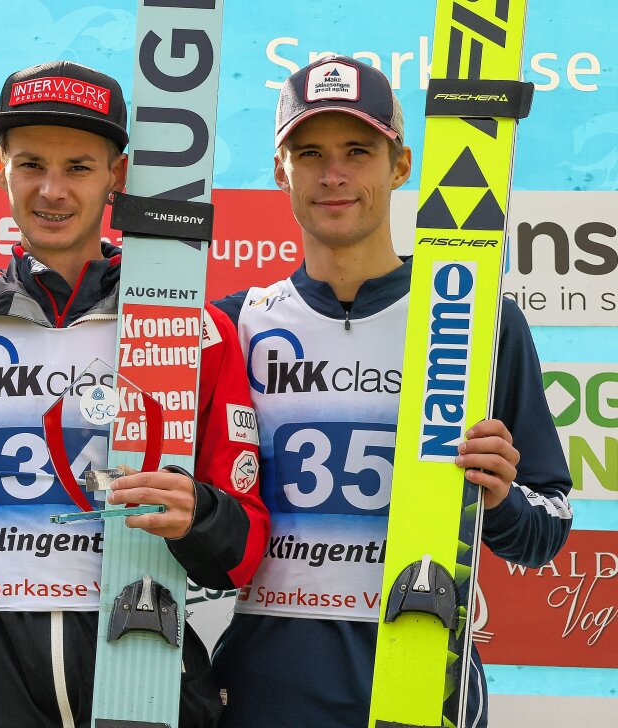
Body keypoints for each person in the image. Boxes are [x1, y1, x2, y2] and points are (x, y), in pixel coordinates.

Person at [211, 56, 574, 727]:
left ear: (400, 165)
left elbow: (545, 529)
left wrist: (496, 500)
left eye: (358, 150)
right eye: (309, 152)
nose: (334, 175)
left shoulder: (472, 321)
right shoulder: (234, 324)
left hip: (424, 674)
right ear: (278, 170)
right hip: (268, 683)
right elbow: (207, 539)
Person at [0, 61, 270, 728]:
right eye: (30, 165)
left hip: (144, 663)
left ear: (119, 176)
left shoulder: (195, 329)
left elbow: (244, 550)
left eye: (79, 166)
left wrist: (200, 512)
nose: (52, 190)